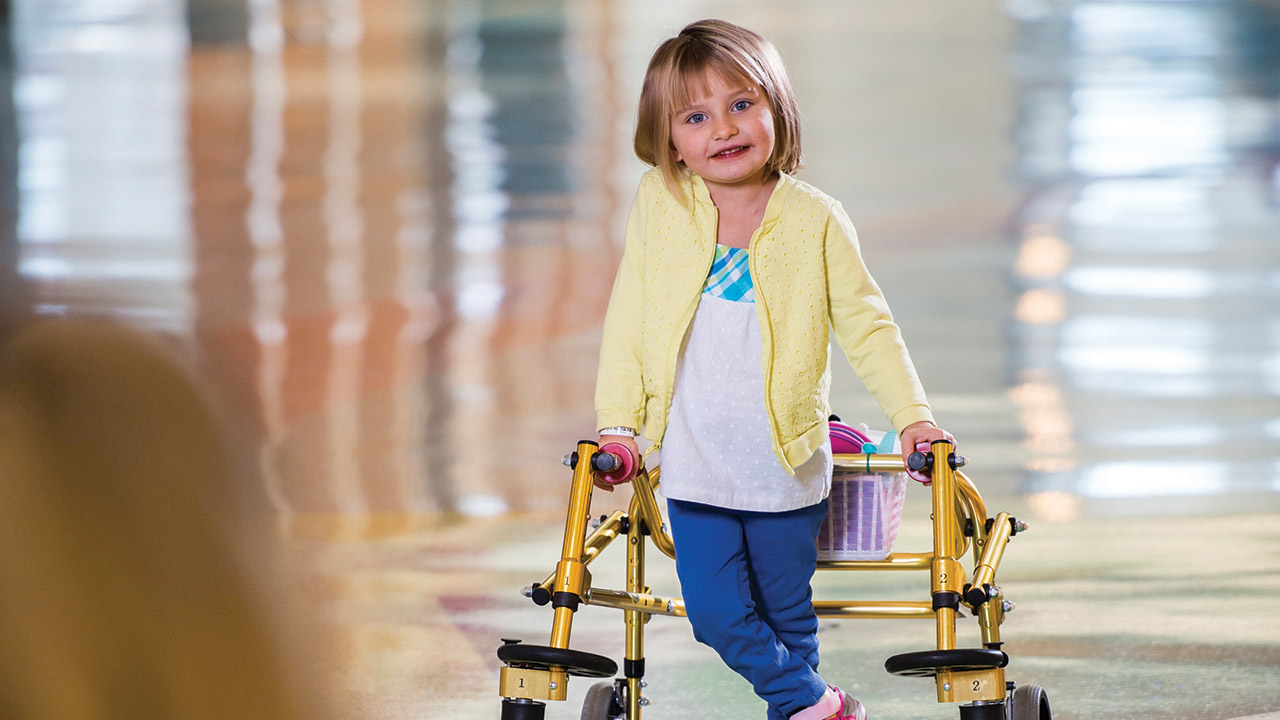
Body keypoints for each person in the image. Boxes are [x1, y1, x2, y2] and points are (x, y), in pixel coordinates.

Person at [592, 19, 955, 720]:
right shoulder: (660, 206)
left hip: (784, 464)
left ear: (777, 110)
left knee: (789, 622)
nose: (722, 128)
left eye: (741, 104)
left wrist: (915, 420)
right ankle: (818, 704)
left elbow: (868, 327)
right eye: (695, 116)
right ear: (670, 139)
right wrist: (619, 424)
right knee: (718, 615)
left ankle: (804, 707)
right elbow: (627, 324)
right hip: (694, 464)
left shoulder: (816, 220)